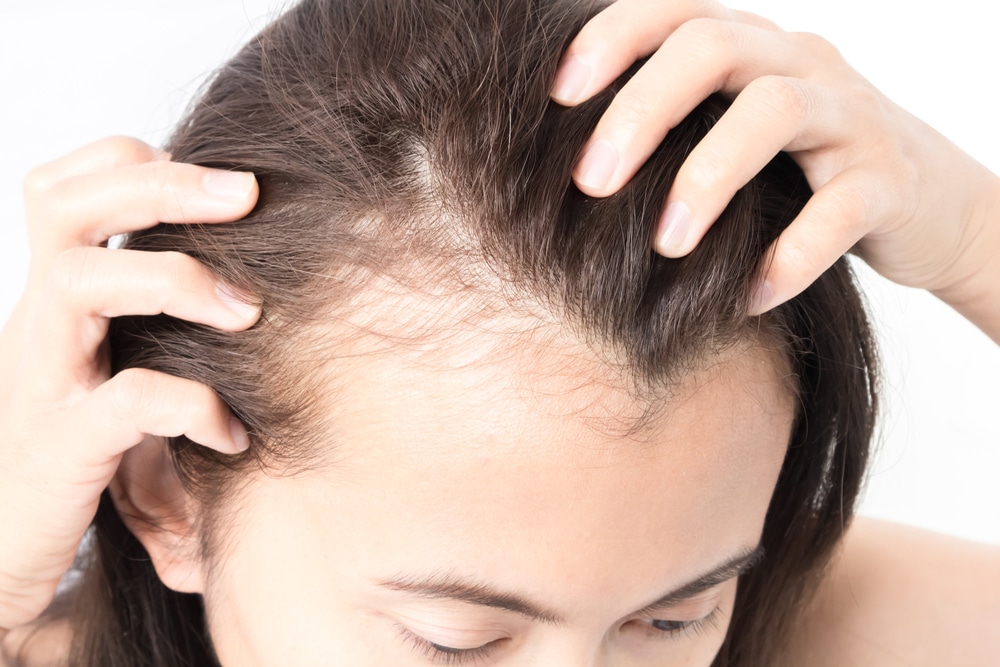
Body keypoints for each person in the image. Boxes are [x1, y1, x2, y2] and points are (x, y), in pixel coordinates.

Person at [0, 1, 997, 666]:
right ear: (167, 495)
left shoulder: (811, 634)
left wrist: (973, 240)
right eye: (459, 638)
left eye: (673, 617)